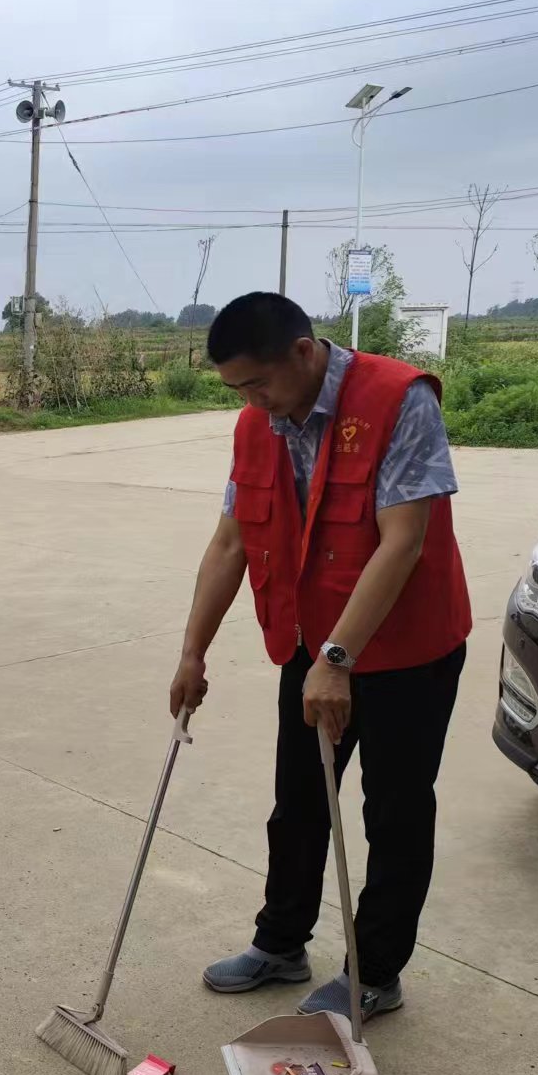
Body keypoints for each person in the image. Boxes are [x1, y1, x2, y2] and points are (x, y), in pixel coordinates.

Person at [169, 292, 470, 1021]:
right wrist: (192, 652)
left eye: (259, 383)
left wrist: (338, 656)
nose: (254, 403)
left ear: (303, 353)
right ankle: (280, 943)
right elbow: (231, 541)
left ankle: (374, 972)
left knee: (394, 813)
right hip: (312, 647)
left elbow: (402, 540)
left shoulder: (400, 400)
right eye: (238, 390)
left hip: (408, 652)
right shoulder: (257, 425)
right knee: (299, 802)